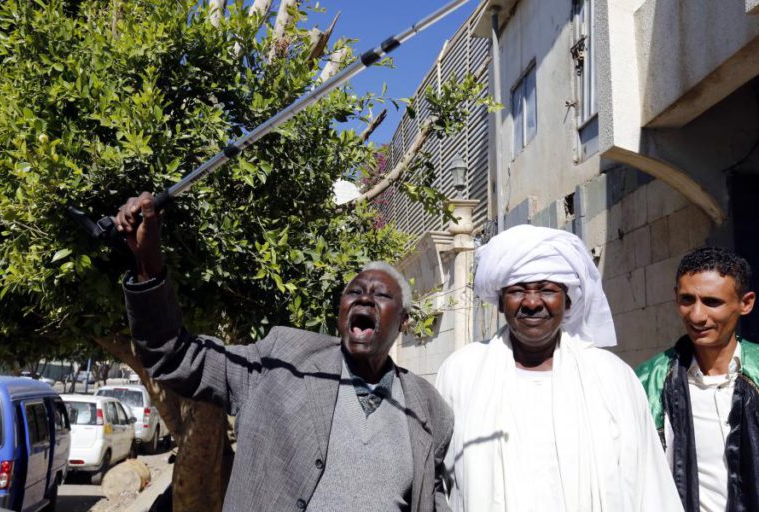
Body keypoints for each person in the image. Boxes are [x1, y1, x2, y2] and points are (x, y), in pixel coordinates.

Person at [114, 192, 453, 512]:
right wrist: (148, 267)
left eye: (381, 295)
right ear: (341, 310)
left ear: (405, 321)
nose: (364, 298)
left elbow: (432, 498)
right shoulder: (281, 360)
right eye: (355, 292)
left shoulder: (429, 409)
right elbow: (174, 355)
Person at [435, 224, 682, 512]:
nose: (531, 302)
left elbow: (649, 485)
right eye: (517, 290)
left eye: (546, 290)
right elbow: (436, 482)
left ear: (567, 301)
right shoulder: (462, 373)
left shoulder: (611, 377)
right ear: (501, 302)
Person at [636, 247, 758, 512]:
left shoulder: (756, 375)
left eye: (712, 302)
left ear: (745, 303)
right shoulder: (648, 383)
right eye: (687, 300)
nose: (696, 316)